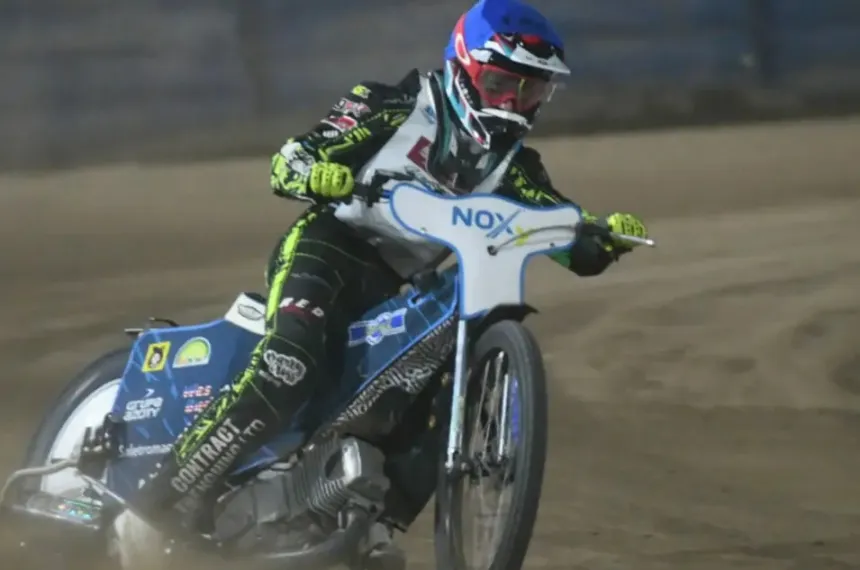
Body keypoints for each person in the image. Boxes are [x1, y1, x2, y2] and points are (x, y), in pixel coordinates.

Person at [133, 0, 649, 565]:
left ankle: (369, 519)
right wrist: (317, 173)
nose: (511, 103)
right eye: (501, 83)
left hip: (397, 287)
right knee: (289, 362)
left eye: (530, 91)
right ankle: (156, 505)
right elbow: (290, 161)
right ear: (464, 69)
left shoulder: (517, 169)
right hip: (329, 247)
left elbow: (565, 236)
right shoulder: (392, 105)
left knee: (444, 393)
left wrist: (601, 237)